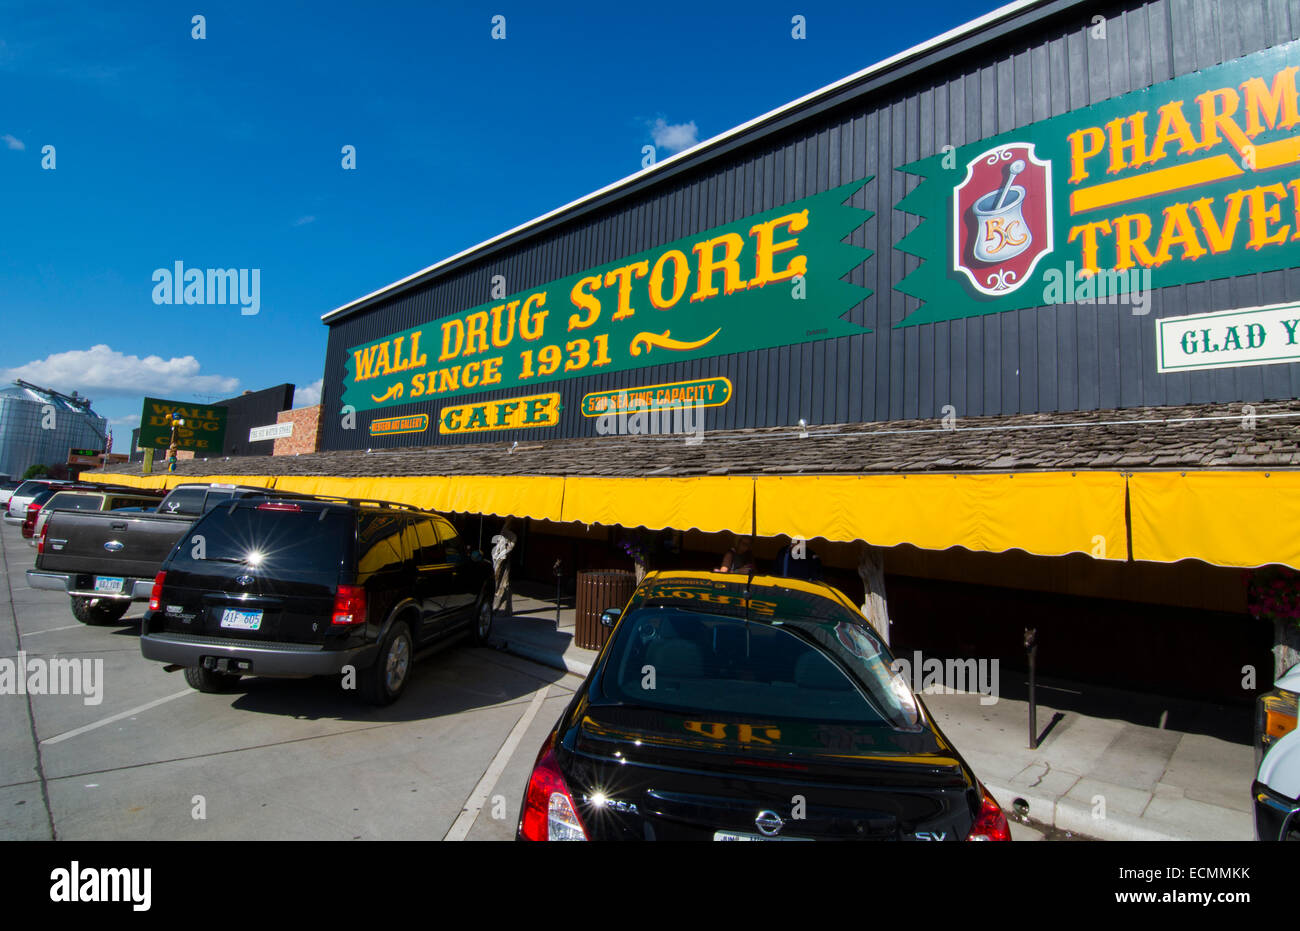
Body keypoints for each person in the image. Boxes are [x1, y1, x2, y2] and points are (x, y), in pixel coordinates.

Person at [491, 517, 517, 614]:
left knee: (501, 583)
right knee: (503, 583)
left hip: (502, 560)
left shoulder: (510, 535)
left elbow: (509, 547)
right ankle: (505, 607)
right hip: (499, 559)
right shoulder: (504, 533)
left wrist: (503, 554)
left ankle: (499, 606)